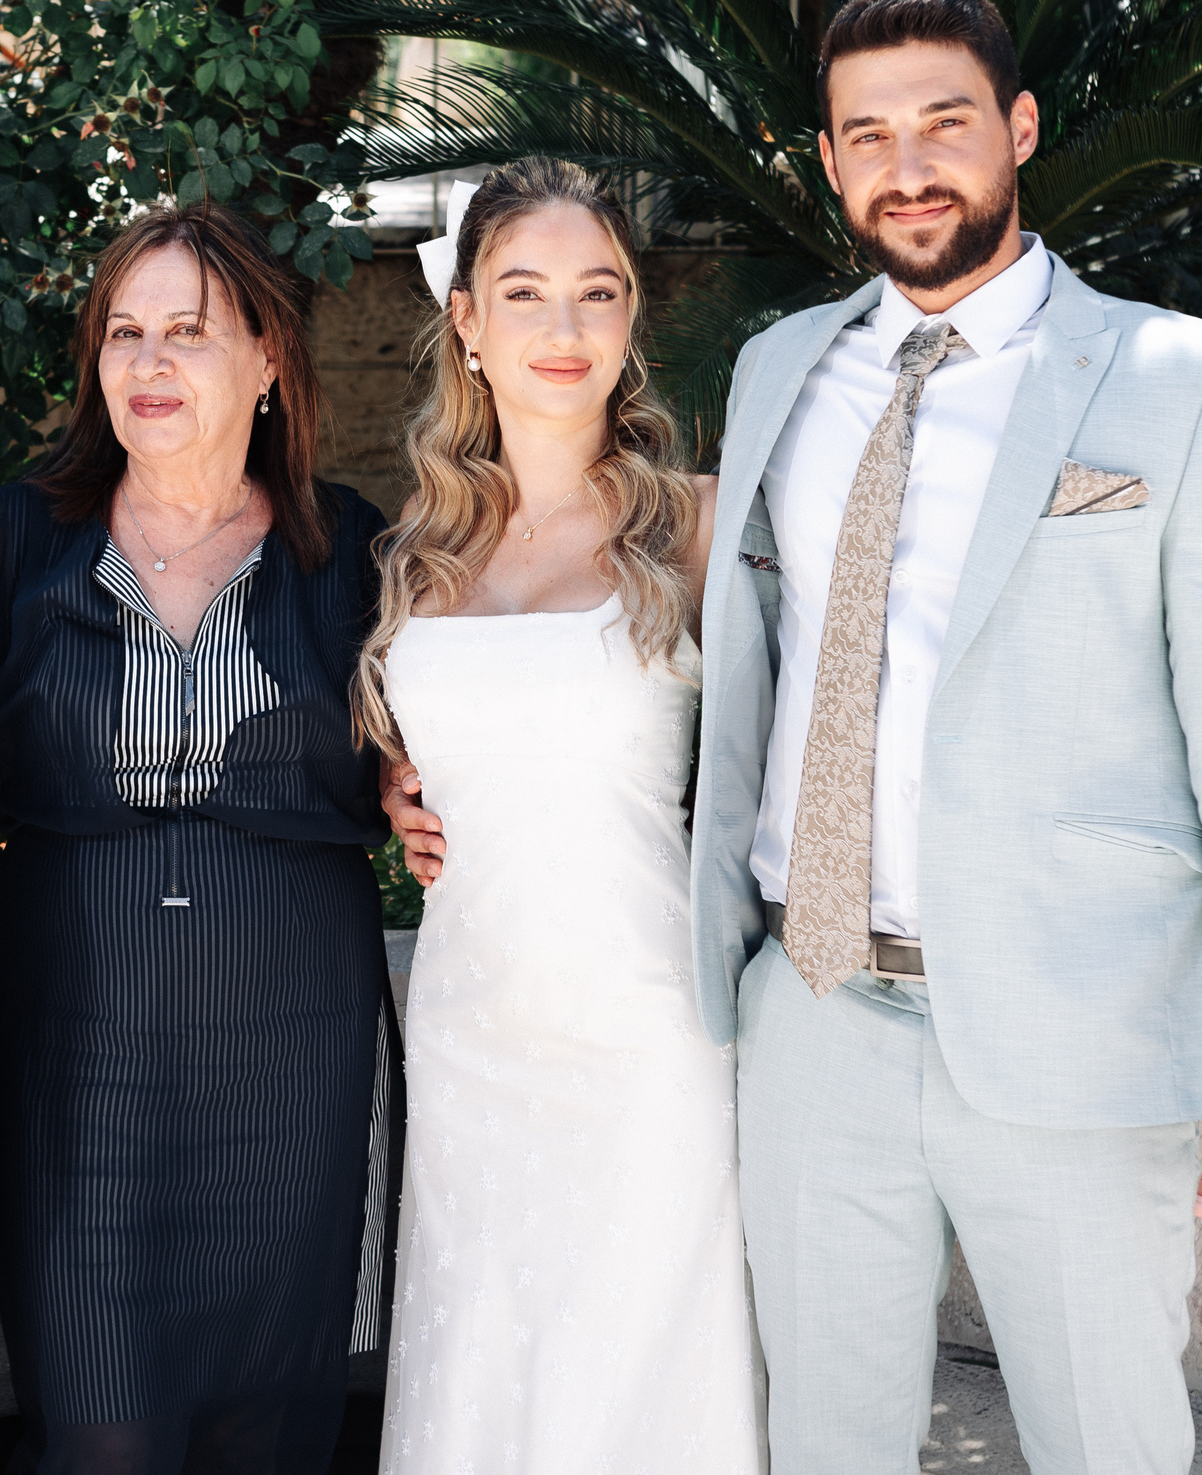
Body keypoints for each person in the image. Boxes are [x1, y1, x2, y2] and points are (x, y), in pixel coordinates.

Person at [391, 0, 1202, 1473]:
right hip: (814, 1016)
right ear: (829, 163)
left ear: (1019, 129)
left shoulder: (1183, 381)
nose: (910, 165)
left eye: (946, 123)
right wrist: (423, 779)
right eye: (869, 135)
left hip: (1077, 1028)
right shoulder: (783, 374)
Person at [0, 203, 391, 1475]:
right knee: (97, 1419)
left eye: (187, 333)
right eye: (123, 332)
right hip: (75, 1031)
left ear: (266, 363)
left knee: (271, 1410)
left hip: (293, 1035)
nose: (147, 364)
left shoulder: (350, 547)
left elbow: (441, 755)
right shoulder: (17, 537)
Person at [357, 157, 761, 1472]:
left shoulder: (694, 530)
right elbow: (447, 749)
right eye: (524, 292)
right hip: (474, 1037)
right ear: (466, 317)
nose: (564, 327)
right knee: (483, 1373)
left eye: (599, 292)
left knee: (635, 1393)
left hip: (652, 1040)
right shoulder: (415, 555)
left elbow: (810, 751)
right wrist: (390, 785)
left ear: (633, 316)